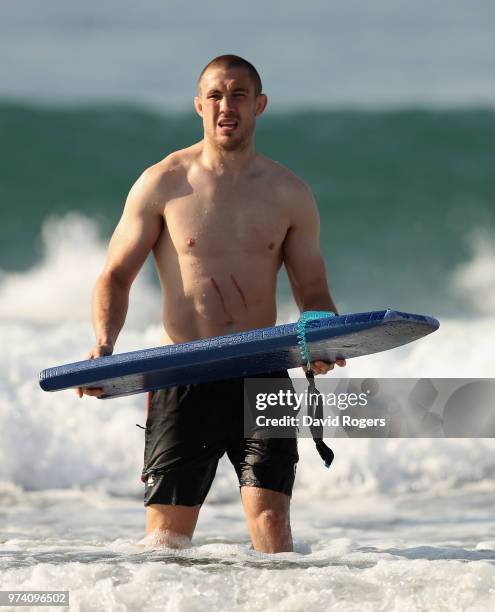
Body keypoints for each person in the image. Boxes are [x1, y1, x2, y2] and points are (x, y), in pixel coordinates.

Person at [78, 55, 345, 553]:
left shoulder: (290, 193)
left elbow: (312, 291)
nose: (228, 105)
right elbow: (115, 276)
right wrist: (103, 344)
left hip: (262, 370)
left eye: (239, 94)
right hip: (184, 374)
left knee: (272, 526)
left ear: (259, 105)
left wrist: (320, 337)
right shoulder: (163, 183)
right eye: (217, 96)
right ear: (200, 105)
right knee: (166, 543)